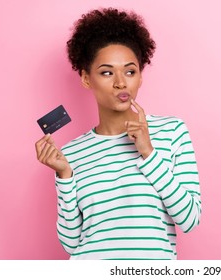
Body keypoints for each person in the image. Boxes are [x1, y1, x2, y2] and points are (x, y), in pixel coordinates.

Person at [35, 7, 201, 260]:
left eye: (130, 71)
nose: (121, 82)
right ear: (86, 79)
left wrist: (149, 153)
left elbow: (189, 219)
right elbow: (70, 244)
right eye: (107, 72)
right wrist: (64, 174)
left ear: (140, 76)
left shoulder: (171, 132)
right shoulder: (70, 153)